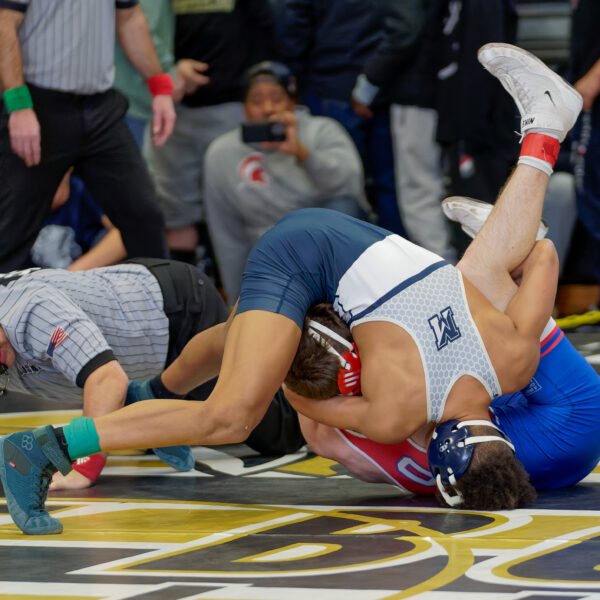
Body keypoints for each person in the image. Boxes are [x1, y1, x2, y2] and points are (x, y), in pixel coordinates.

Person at [0, 44, 583, 534]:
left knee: (475, 275)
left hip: (357, 243)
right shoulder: (395, 412)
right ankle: (47, 446)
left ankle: (543, 134)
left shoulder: (515, 358)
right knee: (231, 413)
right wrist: (321, 354)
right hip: (303, 257)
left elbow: (544, 253)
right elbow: (304, 404)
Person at [0, 259, 303, 493]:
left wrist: (83, 463)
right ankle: (149, 396)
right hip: (135, 332)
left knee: (270, 428)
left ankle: (315, 346)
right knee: (141, 429)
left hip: (178, 316)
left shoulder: (30, 311)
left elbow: (106, 379)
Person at [0, 0, 174, 272]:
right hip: (39, 105)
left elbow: (129, 18)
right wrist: (18, 105)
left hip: (100, 107)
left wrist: (160, 86)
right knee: (9, 233)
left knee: (144, 218)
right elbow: (4, 22)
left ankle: (166, 311)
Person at [204, 60, 370, 302]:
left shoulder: (322, 131)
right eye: (257, 101)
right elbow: (226, 233)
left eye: (277, 98)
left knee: (344, 207)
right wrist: (238, 300)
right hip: (269, 258)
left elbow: (350, 187)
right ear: (244, 109)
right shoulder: (222, 153)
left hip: (324, 249)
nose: (268, 108)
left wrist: (303, 154)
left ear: (293, 101)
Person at [143, 0, 279, 266]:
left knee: (243, 211)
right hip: (174, 110)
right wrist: (170, 68)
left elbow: (274, 29)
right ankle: (184, 298)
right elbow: (145, 30)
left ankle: (244, 298)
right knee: (175, 215)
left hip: (233, 109)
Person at [278, 0, 403, 235]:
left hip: (330, 83)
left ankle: (347, 261)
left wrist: (296, 80)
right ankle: (397, 260)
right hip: (381, 82)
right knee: (390, 185)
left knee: (340, 188)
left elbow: (294, 28)